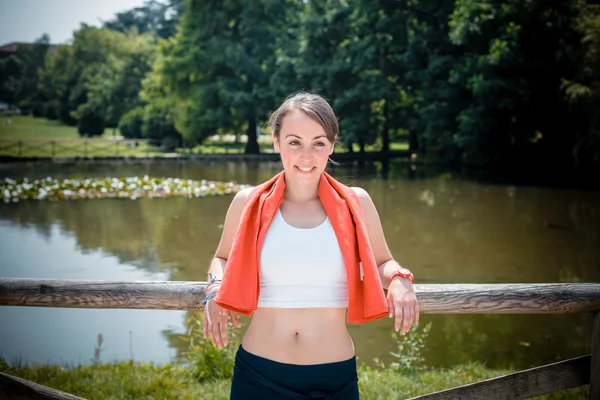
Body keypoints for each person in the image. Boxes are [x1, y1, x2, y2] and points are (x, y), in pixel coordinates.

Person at [202, 92, 419, 399]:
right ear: (276, 142)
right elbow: (221, 258)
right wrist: (213, 290)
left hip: (334, 377)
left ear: (331, 145)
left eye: (318, 142)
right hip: (258, 374)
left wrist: (399, 279)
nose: (307, 155)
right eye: (294, 142)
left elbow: (383, 262)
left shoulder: (356, 202)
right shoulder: (247, 203)